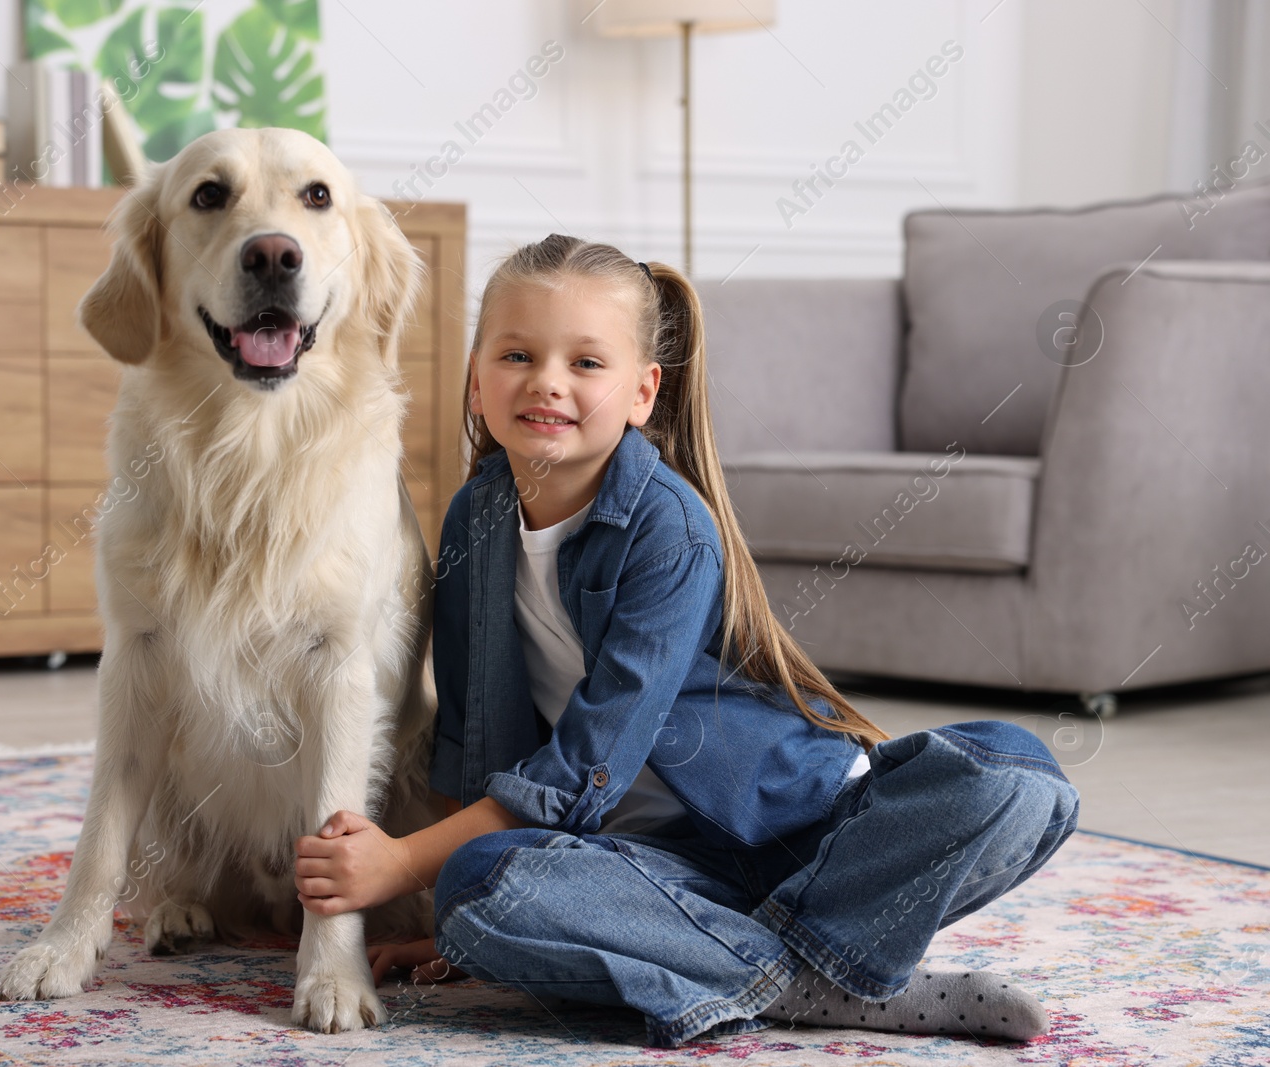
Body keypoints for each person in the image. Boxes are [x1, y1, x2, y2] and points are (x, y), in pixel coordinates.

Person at [293, 234, 1080, 1048]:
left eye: (586, 363)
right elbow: (469, 743)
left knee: (1018, 774)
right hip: (647, 870)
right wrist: (446, 920)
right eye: (517, 353)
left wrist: (399, 861)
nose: (547, 381)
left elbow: (584, 770)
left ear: (642, 393)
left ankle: (750, 962)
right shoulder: (473, 517)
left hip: (800, 837)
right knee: (480, 887)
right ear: (474, 377)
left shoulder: (670, 527)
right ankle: (829, 974)